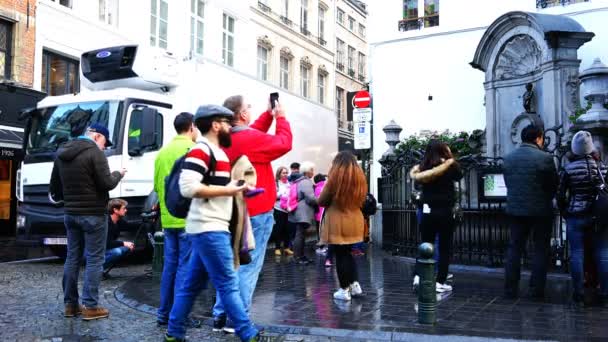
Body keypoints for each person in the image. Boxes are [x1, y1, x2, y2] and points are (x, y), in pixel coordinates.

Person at [165, 105, 273, 342]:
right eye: (226, 122)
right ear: (215, 125)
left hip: (209, 227)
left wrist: (239, 189)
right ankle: (249, 334)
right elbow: (188, 187)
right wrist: (228, 189)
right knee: (228, 283)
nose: (230, 127)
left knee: (191, 286)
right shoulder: (202, 151)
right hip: (209, 228)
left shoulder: (218, 152)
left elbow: (217, 188)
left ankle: (173, 333)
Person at [212, 95, 292, 333]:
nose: (251, 111)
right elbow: (283, 142)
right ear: (243, 115)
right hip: (255, 212)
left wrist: (268, 115)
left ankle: (220, 315)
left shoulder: (223, 138)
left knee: (228, 265)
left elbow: (252, 132)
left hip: (227, 210)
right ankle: (236, 318)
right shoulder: (250, 139)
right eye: (249, 108)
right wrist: (281, 117)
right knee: (247, 266)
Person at [49, 123, 125, 320]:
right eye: (104, 143)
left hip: (70, 214)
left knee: (72, 257)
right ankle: (90, 306)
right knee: (94, 259)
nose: (104, 147)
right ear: (97, 136)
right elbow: (107, 183)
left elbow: (55, 190)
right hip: (94, 215)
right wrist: (119, 174)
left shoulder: (61, 152)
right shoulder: (95, 153)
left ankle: (70, 305)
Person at [154, 112, 200, 328]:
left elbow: (157, 187)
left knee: (169, 267)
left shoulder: (162, 153)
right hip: (188, 219)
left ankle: (163, 314)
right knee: (185, 269)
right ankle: (179, 316)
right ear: (191, 127)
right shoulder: (193, 150)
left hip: (168, 219)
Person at [503, 124, 558, 299]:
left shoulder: (509, 158)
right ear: (538, 138)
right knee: (540, 249)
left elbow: (508, 182)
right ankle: (536, 290)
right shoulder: (545, 158)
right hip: (540, 210)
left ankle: (510, 289)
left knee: (515, 249)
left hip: (516, 210)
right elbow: (553, 185)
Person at [558, 130, 608, 306]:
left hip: (576, 215)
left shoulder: (568, 168)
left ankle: (578, 293)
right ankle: (604, 293)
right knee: (602, 254)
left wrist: (565, 211)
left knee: (577, 255)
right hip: (598, 216)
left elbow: (560, 195)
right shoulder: (601, 167)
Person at [409, 140, 463, 293]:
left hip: (427, 212)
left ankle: (419, 277)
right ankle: (439, 281)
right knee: (445, 247)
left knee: (426, 245)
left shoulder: (423, 167)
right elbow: (459, 175)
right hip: (445, 212)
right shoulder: (449, 166)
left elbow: (418, 185)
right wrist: (450, 157)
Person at [318, 152, 367, 301]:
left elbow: (322, 200)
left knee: (341, 256)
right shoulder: (360, 179)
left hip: (338, 222)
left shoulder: (334, 180)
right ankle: (354, 285)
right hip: (355, 221)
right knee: (349, 254)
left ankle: (344, 290)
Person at [288, 161, 318, 265]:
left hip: (299, 210)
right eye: (312, 170)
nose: (313, 172)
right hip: (303, 211)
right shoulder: (305, 181)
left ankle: (300, 256)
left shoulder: (299, 181)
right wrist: (319, 200)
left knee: (300, 233)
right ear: (307, 171)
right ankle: (298, 257)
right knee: (300, 234)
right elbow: (310, 198)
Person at [103, 199, 134, 277]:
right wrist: (124, 243)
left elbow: (130, 226)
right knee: (117, 252)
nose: (126, 210)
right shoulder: (106, 222)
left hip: (104, 249)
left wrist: (146, 220)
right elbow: (107, 243)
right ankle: (96, 270)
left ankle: (101, 269)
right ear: (115, 210)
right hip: (92, 251)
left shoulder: (118, 220)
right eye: (124, 208)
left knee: (127, 248)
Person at [272, 166, 293, 256]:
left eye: (286, 173)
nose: (285, 175)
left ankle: (286, 248)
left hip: (288, 209)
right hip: (279, 209)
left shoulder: (289, 183)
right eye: (283, 173)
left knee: (288, 229)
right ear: (279, 174)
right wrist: (281, 194)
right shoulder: (275, 183)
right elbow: (273, 196)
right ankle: (277, 248)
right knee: (279, 229)